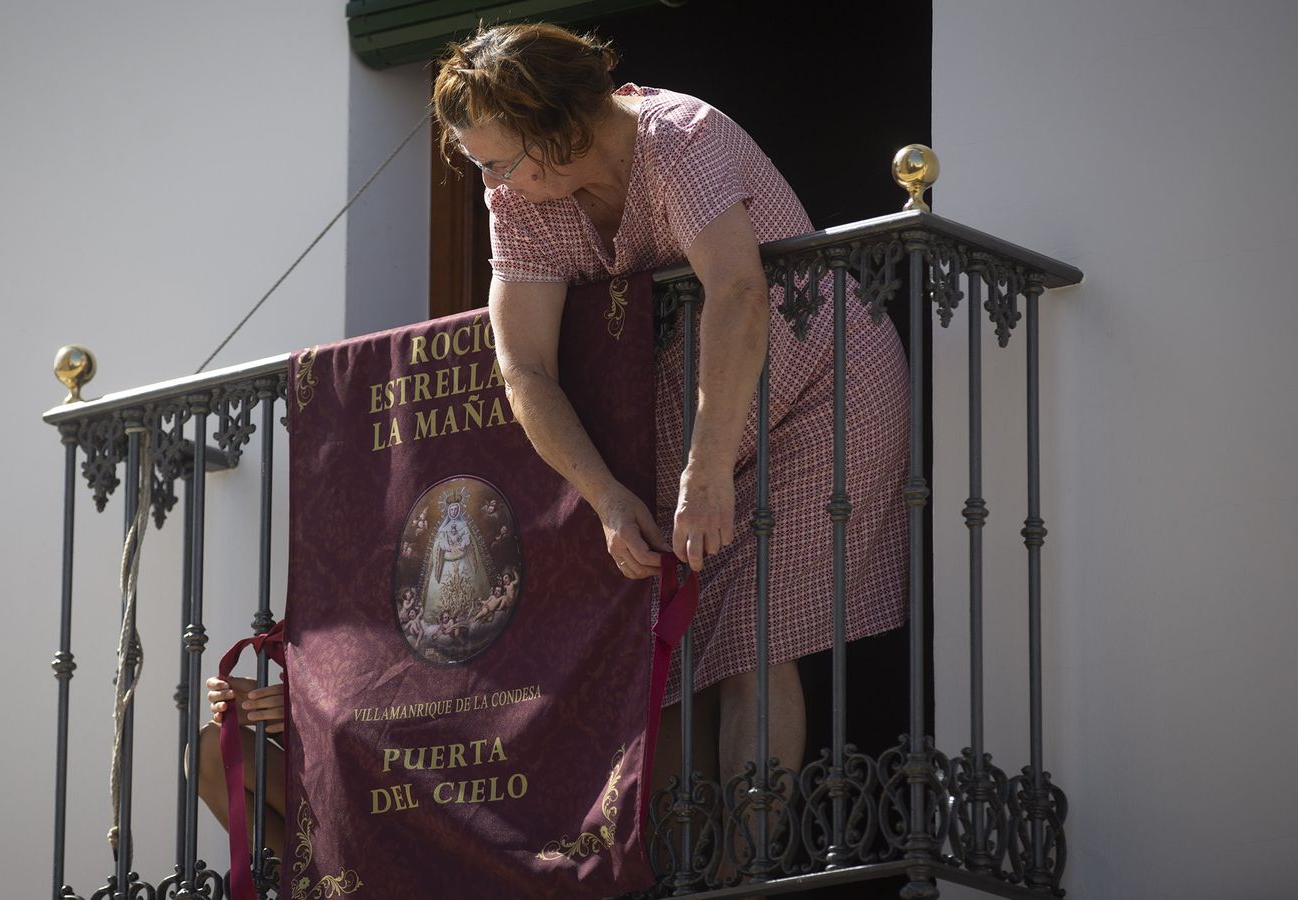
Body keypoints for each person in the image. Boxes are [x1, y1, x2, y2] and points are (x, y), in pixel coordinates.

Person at [199, 19, 909, 856]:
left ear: (557, 127)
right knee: (667, 656)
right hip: (695, 425)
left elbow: (739, 292)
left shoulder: (679, 139)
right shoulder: (518, 202)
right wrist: (607, 498)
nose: (488, 180)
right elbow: (524, 368)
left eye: (495, 159)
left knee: (757, 634)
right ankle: (677, 868)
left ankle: (742, 876)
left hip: (817, 389)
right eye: (475, 164)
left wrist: (709, 469)